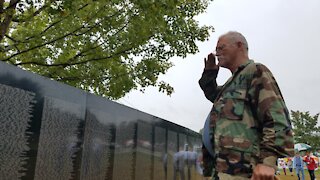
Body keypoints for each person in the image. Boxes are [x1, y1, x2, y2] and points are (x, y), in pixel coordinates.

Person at [198, 31, 294, 179]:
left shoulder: (255, 71)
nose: (216, 53)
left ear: (239, 45)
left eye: (220, 48)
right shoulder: (231, 84)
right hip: (220, 171)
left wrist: (268, 162)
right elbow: (212, 94)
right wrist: (210, 73)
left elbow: (277, 119)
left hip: (244, 172)